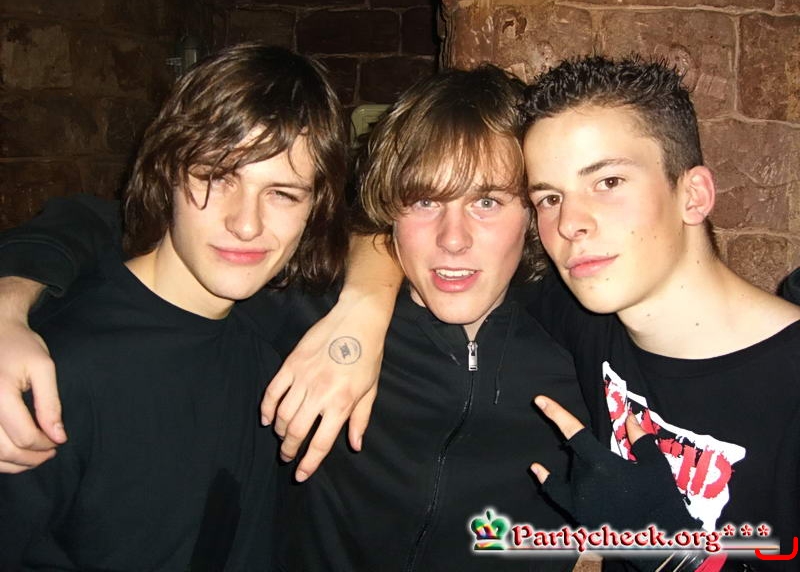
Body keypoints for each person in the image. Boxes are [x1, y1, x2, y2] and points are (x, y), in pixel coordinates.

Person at [0, 65, 586, 571]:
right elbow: (114, 226)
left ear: (534, 212)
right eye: (424, 200)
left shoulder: (580, 346)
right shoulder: (297, 314)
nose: (453, 238)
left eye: (487, 201)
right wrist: (11, 297)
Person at [0, 42, 363, 570]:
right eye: (217, 177)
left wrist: (366, 311)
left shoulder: (283, 333)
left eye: (282, 193)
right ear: (168, 169)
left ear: (315, 207)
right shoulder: (52, 369)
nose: (246, 224)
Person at [520, 56, 800, 570]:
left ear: (693, 195)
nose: (569, 223)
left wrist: (675, 556)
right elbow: (451, 250)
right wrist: (368, 296)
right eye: (550, 197)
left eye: (608, 182)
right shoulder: (590, 320)